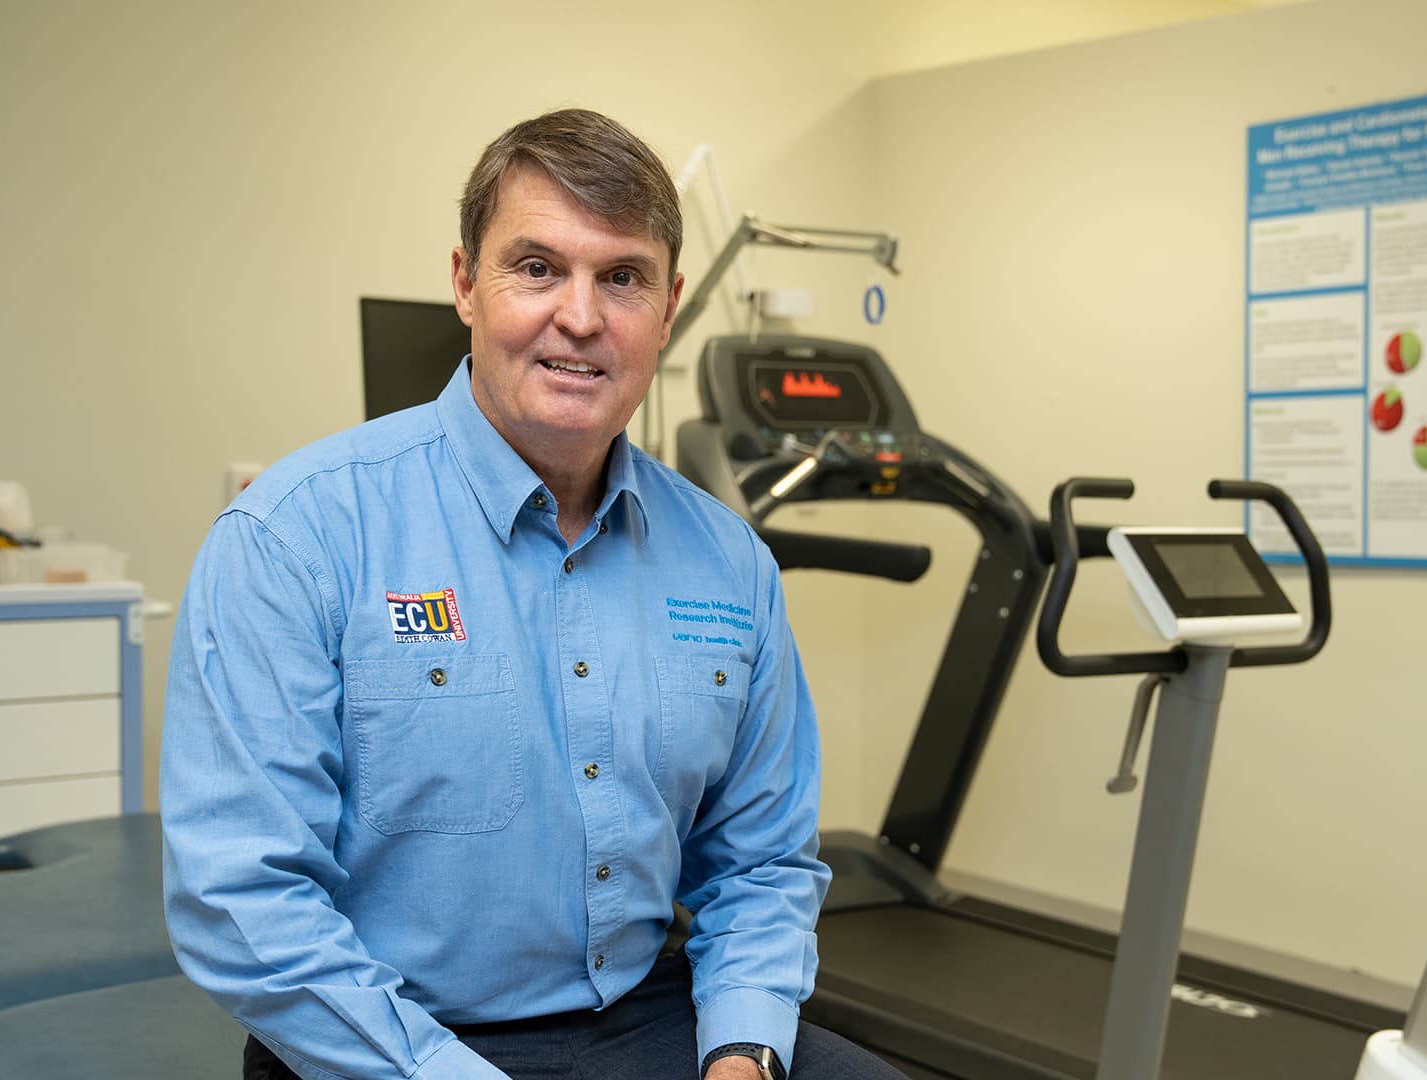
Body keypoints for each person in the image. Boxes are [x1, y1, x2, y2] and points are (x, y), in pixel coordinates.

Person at [161, 108, 903, 1080]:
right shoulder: (296, 538)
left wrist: (741, 1055)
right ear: (466, 284)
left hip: (649, 1022)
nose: (582, 318)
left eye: (622, 277)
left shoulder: (730, 564)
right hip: (387, 1042)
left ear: (670, 306)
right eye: (538, 267)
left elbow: (761, 864)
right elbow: (241, 899)